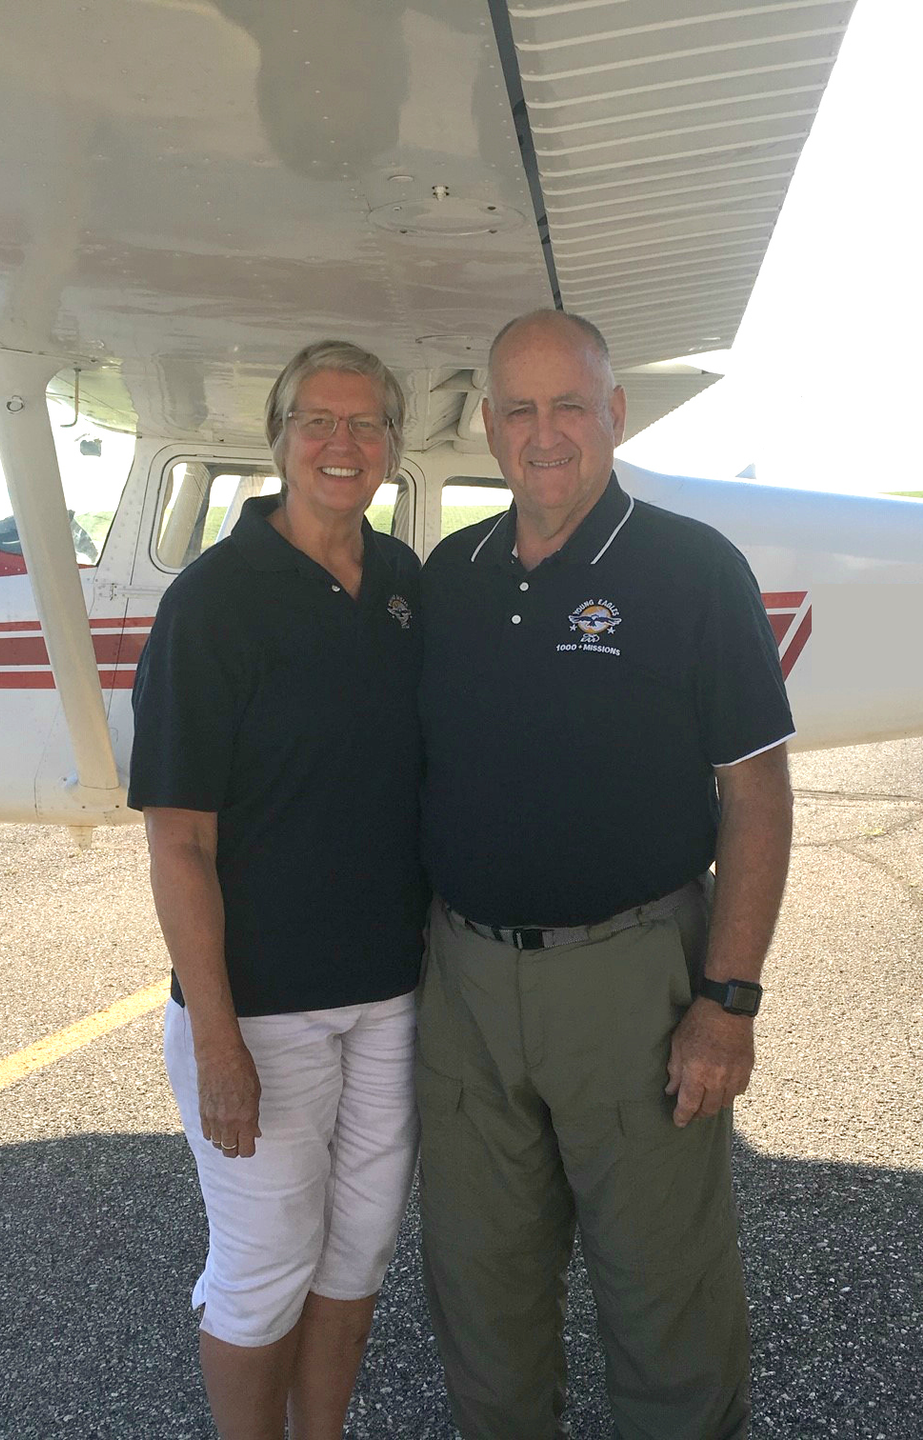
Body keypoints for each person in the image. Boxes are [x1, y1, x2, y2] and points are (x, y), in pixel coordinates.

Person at [415, 309, 796, 1439]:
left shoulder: (690, 569)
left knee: (666, 1310)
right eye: (520, 410)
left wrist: (726, 1004)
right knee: (480, 1301)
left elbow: (758, 795)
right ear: (488, 425)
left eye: (569, 405)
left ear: (616, 414)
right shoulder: (453, 575)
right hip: (468, 985)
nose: (544, 435)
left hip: (635, 982)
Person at [128, 339, 425, 1440]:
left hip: (390, 996)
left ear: (392, 447)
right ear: (280, 440)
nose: (341, 445)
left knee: (357, 1257)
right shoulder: (212, 605)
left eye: (365, 425)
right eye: (318, 422)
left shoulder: (403, 585)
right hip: (259, 1012)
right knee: (263, 1272)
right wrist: (218, 1042)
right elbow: (178, 844)